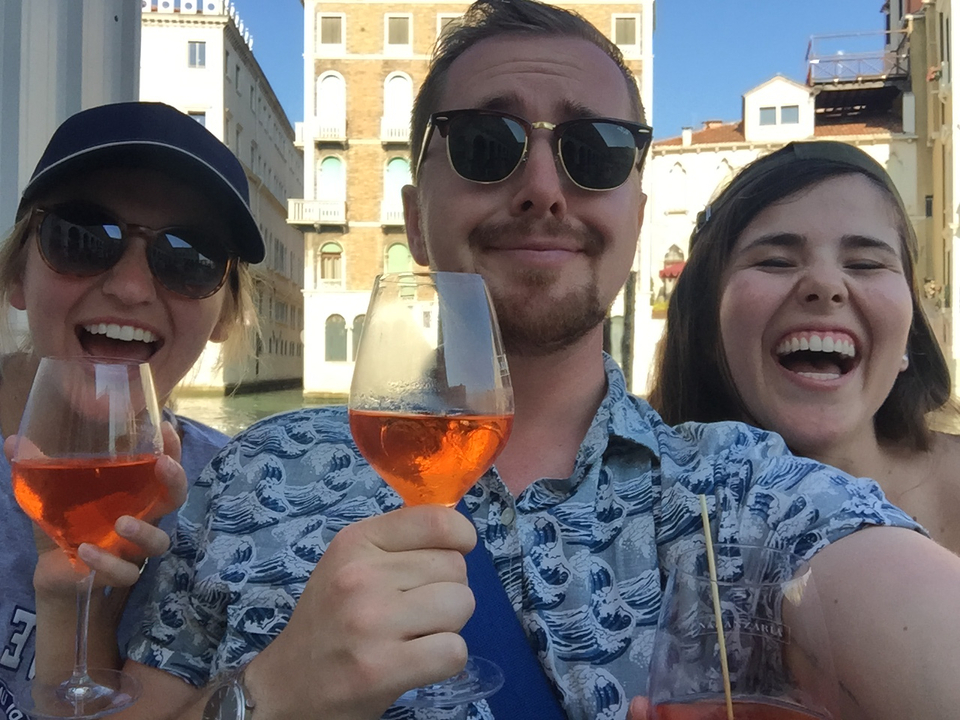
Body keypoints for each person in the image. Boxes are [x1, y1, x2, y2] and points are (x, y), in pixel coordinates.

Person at [35, 3, 960, 720]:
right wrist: (267, 695)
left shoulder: (740, 490)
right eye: (488, 145)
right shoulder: (249, 475)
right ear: (410, 216)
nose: (544, 190)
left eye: (594, 153)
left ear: (635, 217)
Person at [0, 101, 263, 718]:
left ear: (224, 313)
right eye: (83, 238)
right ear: (17, 275)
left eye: (189, 255)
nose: (130, 287)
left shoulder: (240, 502)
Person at [648, 140, 960, 554]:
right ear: (707, 327)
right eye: (775, 261)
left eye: (866, 263)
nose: (826, 286)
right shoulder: (635, 526)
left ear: (908, 338)